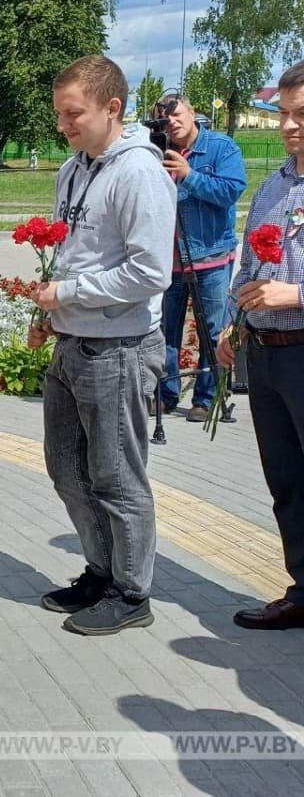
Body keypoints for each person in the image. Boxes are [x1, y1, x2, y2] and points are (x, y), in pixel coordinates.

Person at [27, 55, 176, 635]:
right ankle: (101, 570)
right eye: (59, 114)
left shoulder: (138, 173)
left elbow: (150, 272)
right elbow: (71, 253)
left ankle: (131, 592)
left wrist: (69, 293)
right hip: (72, 343)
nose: (63, 124)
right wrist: (50, 310)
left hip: (119, 347)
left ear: (112, 108)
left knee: (116, 477)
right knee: (66, 467)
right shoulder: (74, 169)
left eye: (74, 114)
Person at [220, 62, 304, 630]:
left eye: (302, 115)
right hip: (268, 353)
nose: (290, 126)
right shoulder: (273, 186)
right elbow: (249, 265)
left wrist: (294, 293)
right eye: (284, 114)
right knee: (287, 481)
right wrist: (235, 323)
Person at [154, 95, 246, 422]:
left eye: (177, 114)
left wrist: (188, 174)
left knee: (211, 331)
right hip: (168, 261)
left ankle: (205, 399)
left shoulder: (221, 148)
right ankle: (166, 395)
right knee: (166, 331)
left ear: (192, 113)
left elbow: (231, 191)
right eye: (164, 119)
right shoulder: (156, 151)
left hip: (211, 257)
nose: (172, 122)